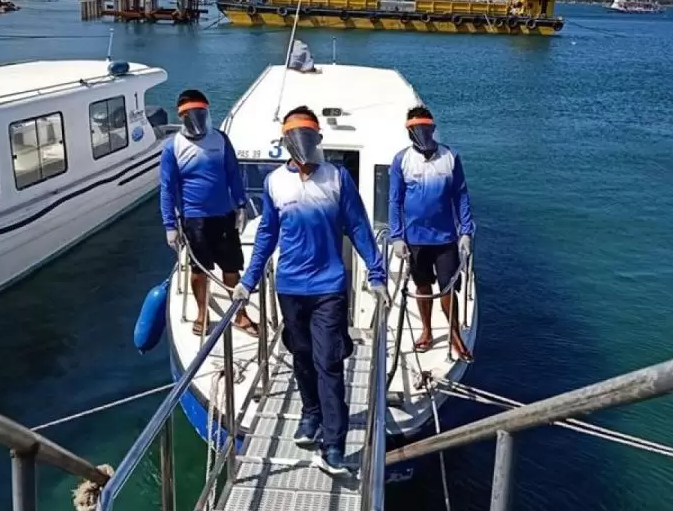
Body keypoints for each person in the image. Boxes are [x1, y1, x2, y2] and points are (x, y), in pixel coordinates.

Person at [234, 105, 386, 475]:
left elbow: (359, 227)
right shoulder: (274, 183)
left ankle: (334, 445)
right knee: (301, 356)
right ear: (285, 142)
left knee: (328, 364)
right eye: (295, 136)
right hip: (289, 288)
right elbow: (268, 234)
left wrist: (377, 272)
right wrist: (248, 280)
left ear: (318, 139)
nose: (302, 143)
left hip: (329, 287)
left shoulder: (337, 178)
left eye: (308, 135)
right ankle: (311, 413)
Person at [160, 89, 258, 337]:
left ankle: (239, 313)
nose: (197, 119)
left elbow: (234, 174)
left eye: (200, 114)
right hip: (195, 219)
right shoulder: (173, 148)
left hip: (224, 216)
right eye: (191, 115)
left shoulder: (221, 140)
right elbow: (167, 190)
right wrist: (170, 225)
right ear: (181, 116)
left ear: (207, 113)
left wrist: (241, 205)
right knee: (199, 269)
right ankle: (202, 312)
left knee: (232, 267)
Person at [388, 105, 474, 361]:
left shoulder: (450, 157)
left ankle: (455, 334)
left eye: (425, 128)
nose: (422, 133)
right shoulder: (401, 160)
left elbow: (461, 195)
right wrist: (397, 237)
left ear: (433, 129)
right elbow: (395, 200)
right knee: (422, 286)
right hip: (415, 240)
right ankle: (426, 331)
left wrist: (466, 231)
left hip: (446, 238)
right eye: (416, 129)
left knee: (449, 288)